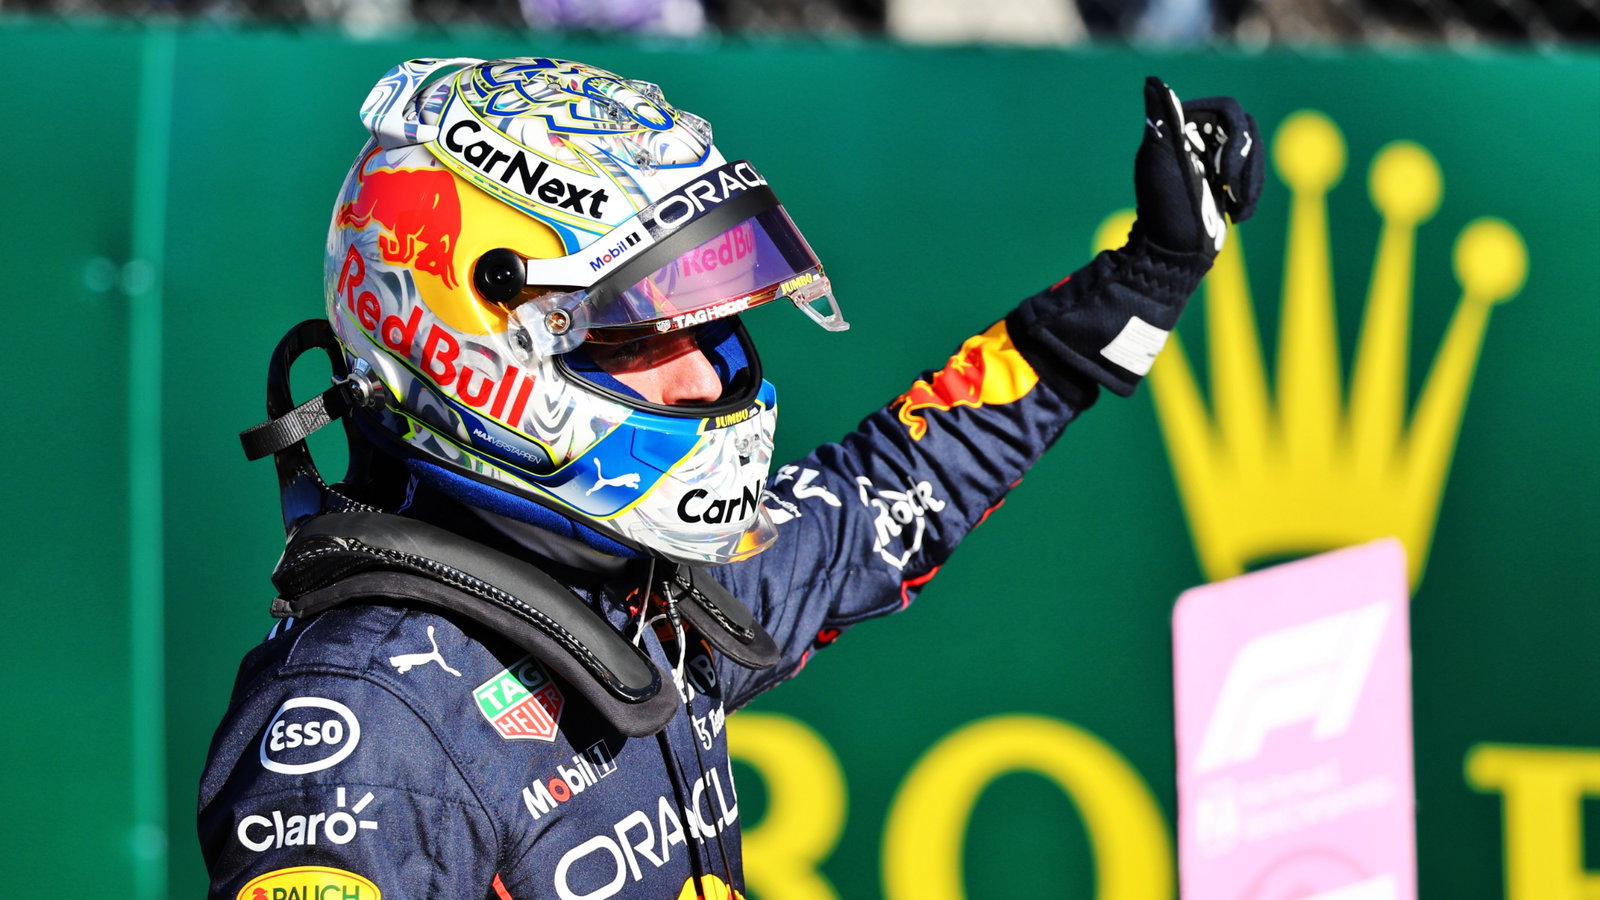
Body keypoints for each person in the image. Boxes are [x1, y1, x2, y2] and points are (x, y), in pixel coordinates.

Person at [199, 55, 1261, 899]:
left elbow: (894, 489)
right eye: (640, 334)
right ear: (476, 351)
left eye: (716, 326)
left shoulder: (634, 592)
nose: (709, 373)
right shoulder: (361, 736)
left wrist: (1149, 275)